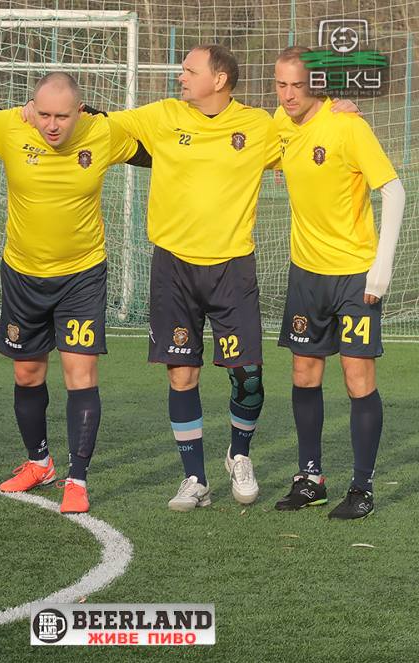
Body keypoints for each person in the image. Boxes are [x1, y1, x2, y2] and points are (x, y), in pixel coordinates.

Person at [105, 45, 280, 511]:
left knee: (248, 375)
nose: (180, 76)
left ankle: (238, 456)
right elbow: (103, 124)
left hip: (232, 267)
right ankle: (195, 478)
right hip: (174, 267)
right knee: (182, 374)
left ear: (219, 79)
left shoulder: (259, 125)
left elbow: (306, 135)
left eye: (189, 70)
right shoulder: (162, 115)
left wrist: (339, 108)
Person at [0, 73, 149, 513]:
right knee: (27, 374)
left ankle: (77, 480)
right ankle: (39, 464)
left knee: (80, 375)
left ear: (80, 112)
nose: (51, 125)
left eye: (62, 116)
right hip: (22, 275)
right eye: (44, 114)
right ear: (31, 108)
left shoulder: (102, 132)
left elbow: (159, 143)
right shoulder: (9, 127)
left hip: (81, 276)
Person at [271, 47, 405, 519]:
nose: (288, 95)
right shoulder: (280, 123)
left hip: (354, 276)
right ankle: (310, 479)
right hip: (306, 273)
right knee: (304, 374)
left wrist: (381, 270)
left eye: (298, 85)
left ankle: (362, 489)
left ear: (318, 85)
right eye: (281, 84)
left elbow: (394, 191)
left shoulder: (348, 125)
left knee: (357, 378)